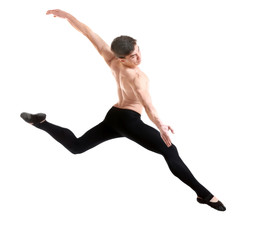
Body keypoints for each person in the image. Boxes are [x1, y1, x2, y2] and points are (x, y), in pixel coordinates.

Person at [20, 9, 226, 211]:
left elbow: (88, 33)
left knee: (77, 146)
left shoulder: (112, 60)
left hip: (114, 117)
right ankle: (205, 195)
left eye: (138, 51)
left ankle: (40, 123)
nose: (138, 58)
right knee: (169, 151)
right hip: (129, 121)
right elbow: (148, 106)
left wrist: (68, 17)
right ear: (121, 58)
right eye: (132, 56)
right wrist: (160, 125)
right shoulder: (137, 78)